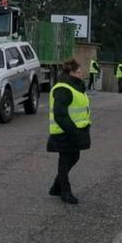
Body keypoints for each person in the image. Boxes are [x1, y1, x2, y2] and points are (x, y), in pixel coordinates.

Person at [47, 58, 91, 205]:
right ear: (71, 72)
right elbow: (60, 114)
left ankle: (56, 187)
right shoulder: (63, 89)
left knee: (72, 158)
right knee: (66, 160)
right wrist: (73, 131)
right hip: (65, 131)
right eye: (78, 71)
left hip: (73, 130)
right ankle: (65, 191)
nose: (81, 73)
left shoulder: (74, 86)